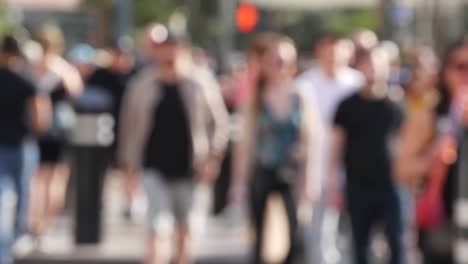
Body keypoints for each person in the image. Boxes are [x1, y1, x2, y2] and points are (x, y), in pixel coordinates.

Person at [118, 23, 229, 264]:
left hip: (191, 167)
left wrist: (213, 158)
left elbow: (220, 123)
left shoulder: (200, 82)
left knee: (186, 229)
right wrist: (127, 167)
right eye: (164, 48)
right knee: (157, 227)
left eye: (174, 48)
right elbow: (129, 126)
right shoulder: (143, 84)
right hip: (153, 165)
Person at [231, 35, 322, 264]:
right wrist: (239, 182)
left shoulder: (300, 95)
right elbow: (246, 143)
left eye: (283, 62)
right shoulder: (256, 98)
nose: (278, 67)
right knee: (259, 236)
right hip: (263, 170)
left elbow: (310, 139)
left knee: (294, 234)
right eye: (273, 61)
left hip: (291, 171)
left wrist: (310, 179)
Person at [330, 48, 404, 264]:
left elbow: (405, 143)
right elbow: (336, 145)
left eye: (379, 65)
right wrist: (334, 180)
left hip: (391, 185)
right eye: (369, 65)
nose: (374, 70)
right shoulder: (347, 106)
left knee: (396, 243)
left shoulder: (396, 105)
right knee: (360, 246)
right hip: (358, 185)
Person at [296, 34, 363, 263]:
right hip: (318, 170)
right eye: (327, 49)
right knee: (319, 233)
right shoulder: (305, 85)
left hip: (355, 170)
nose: (332, 55)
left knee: (355, 235)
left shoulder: (358, 83)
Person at [0, 35, 50, 264]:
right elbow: (41, 117)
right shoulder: (27, 79)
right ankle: (15, 239)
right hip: (21, 143)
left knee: (4, 197)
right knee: (21, 194)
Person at [29, 24, 83, 236]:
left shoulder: (32, 67)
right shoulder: (62, 68)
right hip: (60, 128)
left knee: (38, 178)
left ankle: (35, 221)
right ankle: (44, 223)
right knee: (56, 178)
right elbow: (77, 92)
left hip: (37, 127)